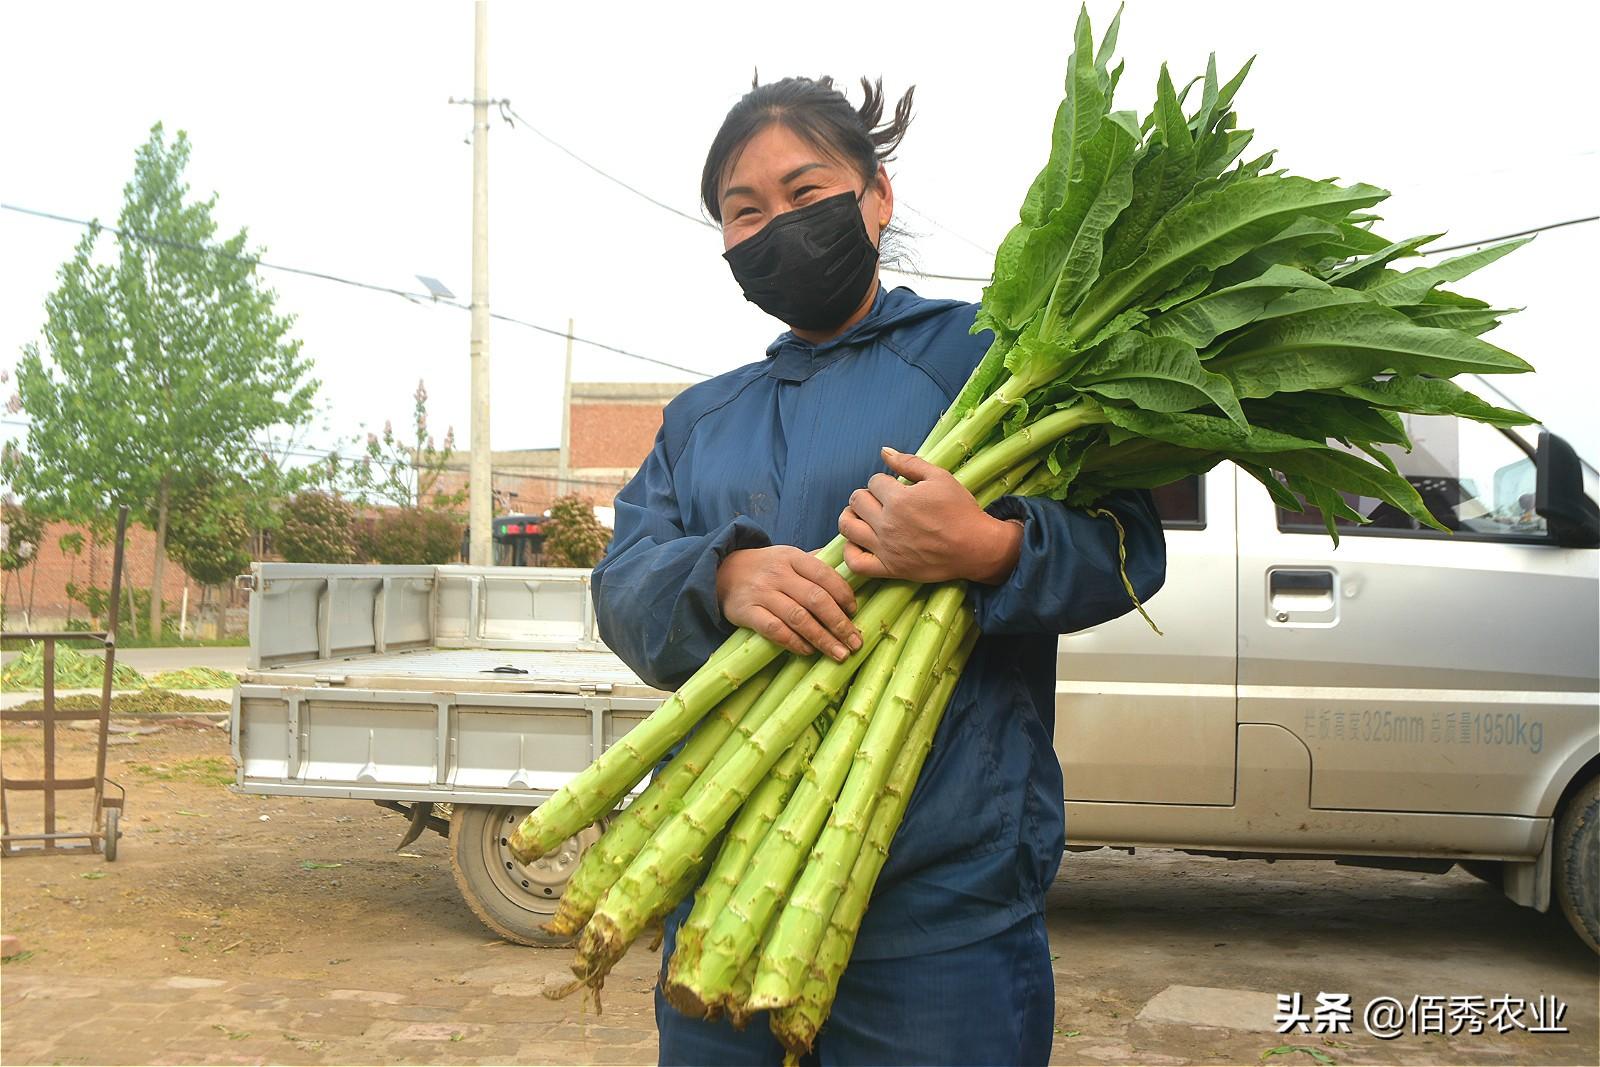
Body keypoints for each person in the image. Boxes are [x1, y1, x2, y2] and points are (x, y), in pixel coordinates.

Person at [591, 74, 1167, 1067]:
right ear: (725, 243)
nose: (778, 224)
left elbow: (1128, 550)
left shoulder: (993, 357)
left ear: (877, 195)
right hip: (720, 884)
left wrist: (988, 547)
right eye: (745, 211)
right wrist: (719, 579)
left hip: (935, 914)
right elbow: (623, 582)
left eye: (806, 193)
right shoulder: (701, 417)